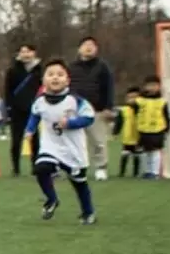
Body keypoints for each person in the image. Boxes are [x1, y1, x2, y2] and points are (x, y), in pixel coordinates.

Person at [25, 59, 97, 224]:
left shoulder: (75, 100)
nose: (55, 78)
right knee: (41, 168)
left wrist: (70, 123)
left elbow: (89, 117)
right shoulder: (40, 101)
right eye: (50, 74)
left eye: (60, 74)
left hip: (74, 150)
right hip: (51, 147)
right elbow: (35, 115)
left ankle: (88, 212)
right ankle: (51, 199)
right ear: (44, 80)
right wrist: (29, 130)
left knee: (79, 183)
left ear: (67, 80)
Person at [69, 37, 116, 181]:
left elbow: (109, 87)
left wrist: (108, 107)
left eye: (92, 45)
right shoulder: (72, 67)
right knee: (75, 141)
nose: (88, 48)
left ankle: (101, 168)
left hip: (96, 110)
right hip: (75, 110)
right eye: (85, 45)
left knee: (98, 141)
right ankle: (77, 167)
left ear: (96, 49)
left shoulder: (102, 66)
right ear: (79, 49)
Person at [4, 44, 43, 175]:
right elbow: (7, 90)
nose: (25, 54)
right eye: (23, 51)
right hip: (17, 110)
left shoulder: (40, 70)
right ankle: (15, 168)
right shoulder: (13, 70)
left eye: (28, 51)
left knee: (35, 139)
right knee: (16, 140)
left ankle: (35, 167)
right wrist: (8, 107)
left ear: (34, 53)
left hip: (34, 110)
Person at [135, 75, 170, 179]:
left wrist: (167, 127)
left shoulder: (162, 101)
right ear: (145, 87)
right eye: (149, 85)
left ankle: (154, 172)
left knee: (155, 151)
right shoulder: (140, 100)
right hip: (143, 130)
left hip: (158, 130)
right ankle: (147, 171)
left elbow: (166, 115)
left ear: (159, 86)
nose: (152, 87)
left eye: (154, 85)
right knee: (144, 151)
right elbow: (135, 113)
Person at [113, 86, 142, 178]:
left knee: (137, 156)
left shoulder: (142, 109)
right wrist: (115, 133)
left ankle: (136, 173)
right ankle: (122, 172)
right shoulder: (124, 110)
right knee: (125, 154)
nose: (132, 100)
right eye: (130, 97)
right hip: (127, 137)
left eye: (135, 97)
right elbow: (119, 122)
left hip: (138, 137)